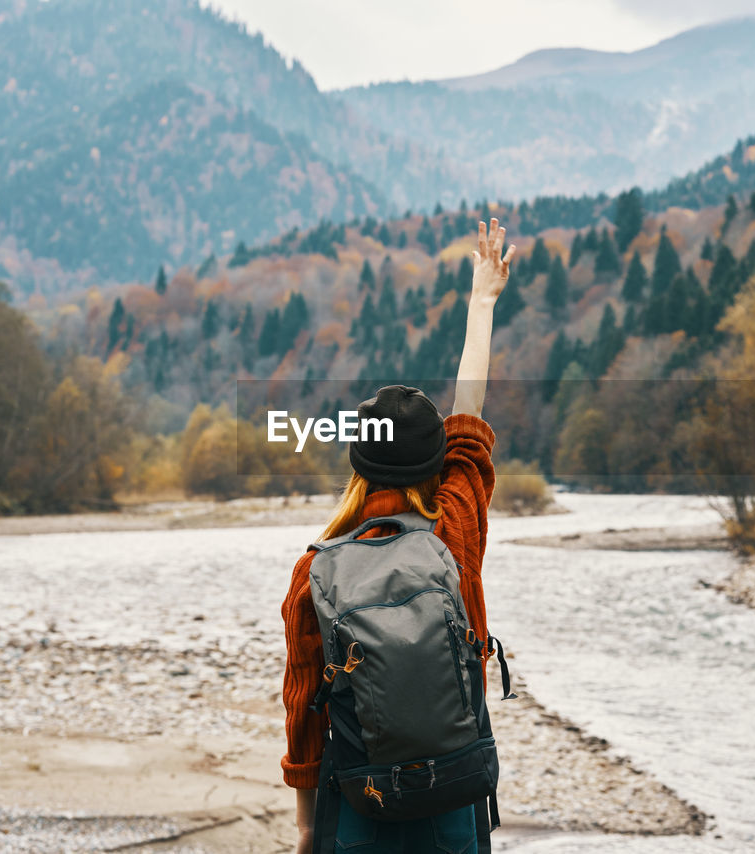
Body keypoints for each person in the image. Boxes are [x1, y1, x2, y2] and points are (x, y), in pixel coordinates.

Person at [281, 218, 515, 853]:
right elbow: (471, 415)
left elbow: (304, 712)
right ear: (436, 461)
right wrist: (481, 302)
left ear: (359, 464)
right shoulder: (455, 527)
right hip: (454, 794)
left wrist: (306, 827)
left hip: (357, 805)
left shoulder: (316, 572)